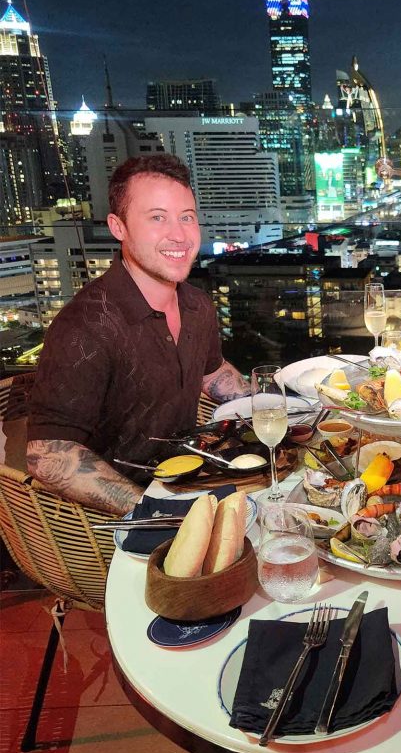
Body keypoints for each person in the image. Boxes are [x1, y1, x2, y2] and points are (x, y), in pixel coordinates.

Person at [27, 154, 249, 515]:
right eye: (157, 218)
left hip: (183, 479)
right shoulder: (85, 325)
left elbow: (213, 372)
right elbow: (46, 454)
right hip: (110, 518)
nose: (179, 235)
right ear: (119, 227)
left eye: (187, 217)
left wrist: (278, 408)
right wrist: (151, 511)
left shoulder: (197, 306)